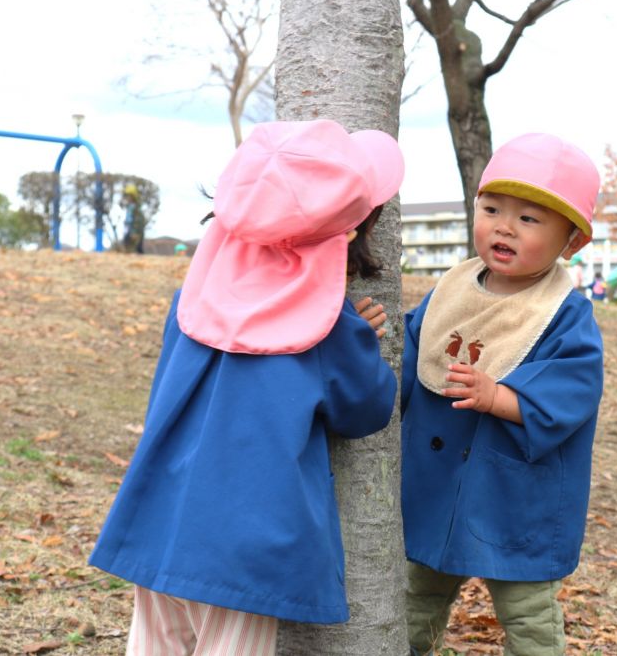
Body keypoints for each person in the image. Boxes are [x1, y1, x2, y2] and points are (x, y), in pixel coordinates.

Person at [88, 120, 404, 655]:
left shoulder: (192, 300)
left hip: (161, 522)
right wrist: (364, 344)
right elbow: (366, 410)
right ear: (346, 231)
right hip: (248, 545)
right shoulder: (331, 327)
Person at [401, 133, 604, 656]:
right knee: (415, 597)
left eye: (530, 219)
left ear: (572, 241)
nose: (504, 227)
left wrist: (499, 397)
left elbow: (573, 389)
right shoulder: (451, 290)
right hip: (436, 480)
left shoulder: (563, 313)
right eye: (492, 208)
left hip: (516, 494)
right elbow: (413, 355)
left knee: (527, 610)